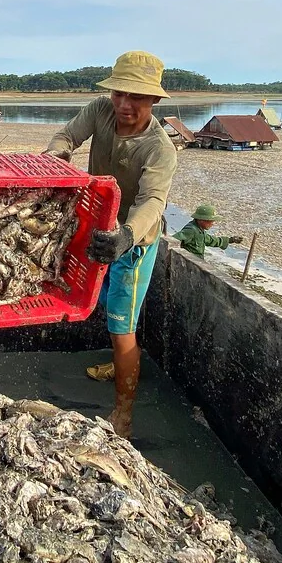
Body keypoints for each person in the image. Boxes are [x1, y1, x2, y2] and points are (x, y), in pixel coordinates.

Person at [44, 51, 178, 438]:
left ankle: (124, 414)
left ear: (153, 100)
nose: (124, 104)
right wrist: (57, 155)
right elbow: (66, 135)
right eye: (120, 93)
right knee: (94, 302)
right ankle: (119, 364)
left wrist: (126, 237)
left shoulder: (159, 148)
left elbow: (152, 202)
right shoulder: (100, 110)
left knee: (123, 327)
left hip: (132, 243)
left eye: (136, 97)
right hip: (96, 229)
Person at [172, 204, 242, 255]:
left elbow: (211, 240)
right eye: (210, 221)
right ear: (201, 220)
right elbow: (173, 239)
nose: (212, 223)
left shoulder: (200, 230)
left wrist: (230, 240)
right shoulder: (191, 230)